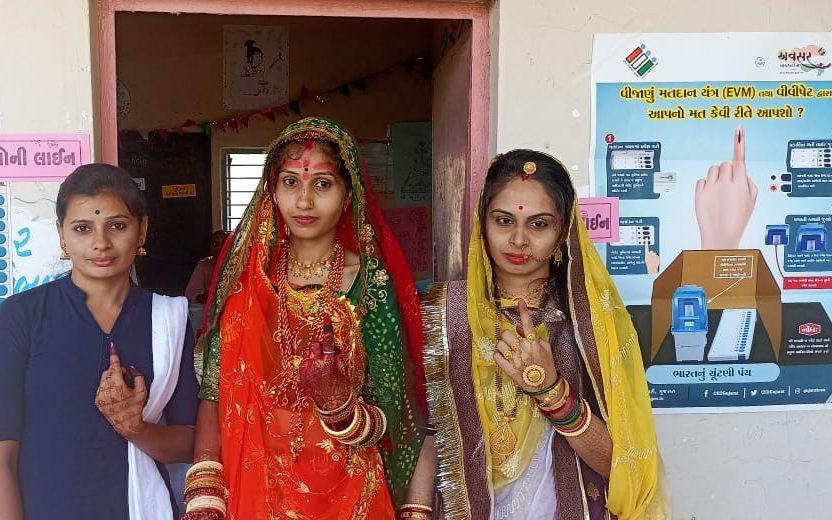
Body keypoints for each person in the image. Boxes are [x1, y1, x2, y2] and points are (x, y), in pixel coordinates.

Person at [184, 117, 436, 519]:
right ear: (271, 190)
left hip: (348, 494)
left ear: (347, 191)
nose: (303, 202)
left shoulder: (371, 284)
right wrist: (205, 495)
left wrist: (340, 407)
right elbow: (214, 393)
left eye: (322, 184)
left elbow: (398, 415)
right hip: (255, 487)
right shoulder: (246, 281)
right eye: (290, 182)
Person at [421, 150, 668, 519]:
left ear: (562, 234)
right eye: (504, 220)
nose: (519, 239)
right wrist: (416, 510)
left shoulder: (590, 321)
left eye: (539, 224)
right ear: (482, 225)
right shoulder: (451, 312)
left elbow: (622, 470)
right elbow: (435, 432)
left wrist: (549, 389)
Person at [0, 163, 200, 520]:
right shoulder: (21, 318)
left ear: (141, 230)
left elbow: (191, 442)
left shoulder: (167, 319)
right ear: (62, 235)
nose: (101, 243)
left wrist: (136, 429)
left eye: (117, 225)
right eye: (83, 228)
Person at [185, 230, 230, 304]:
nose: (219, 248)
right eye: (215, 244)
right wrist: (208, 297)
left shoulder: (239, 264)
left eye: (224, 244)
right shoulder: (204, 265)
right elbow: (191, 294)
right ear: (210, 247)